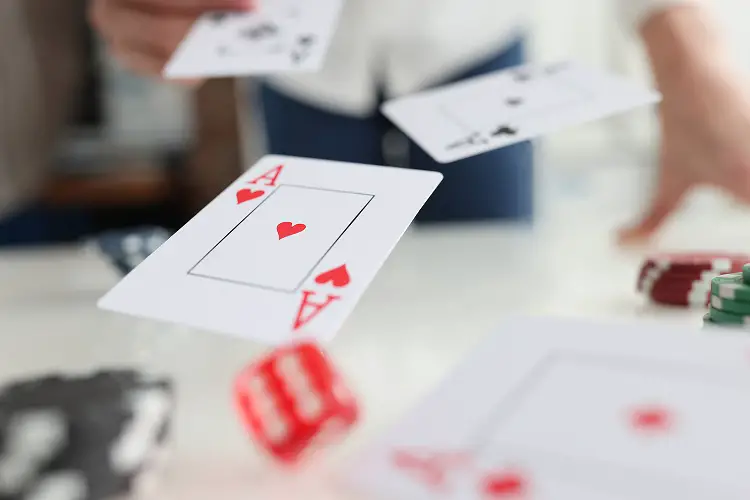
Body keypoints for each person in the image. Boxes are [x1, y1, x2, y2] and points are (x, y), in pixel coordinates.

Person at [90, 0, 750, 242]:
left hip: (473, 37)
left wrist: (684, 41)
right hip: (297, 58)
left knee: (487, 281)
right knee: (313, 304)